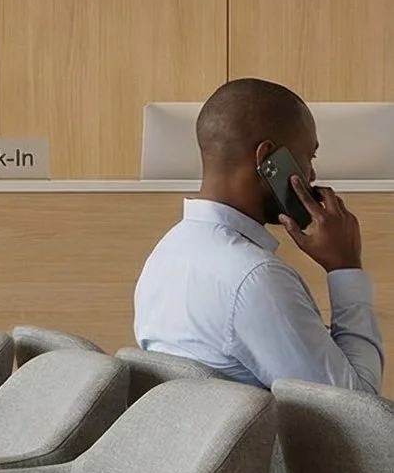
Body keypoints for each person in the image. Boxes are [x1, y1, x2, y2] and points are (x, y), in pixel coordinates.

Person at [135, 77, 383, 393]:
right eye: (309, 157)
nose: (312, 175)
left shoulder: (167, 252)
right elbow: (356, 411)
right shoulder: (255, 279)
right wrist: (345, 269)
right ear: (269, 159)